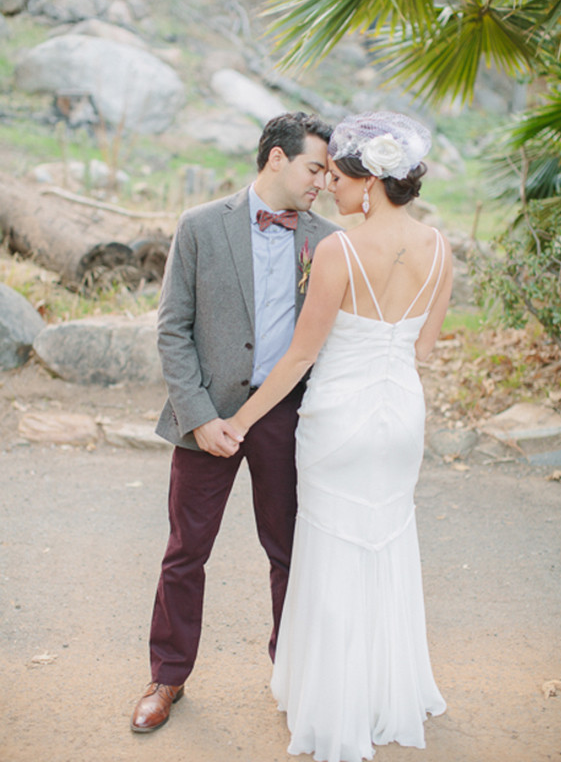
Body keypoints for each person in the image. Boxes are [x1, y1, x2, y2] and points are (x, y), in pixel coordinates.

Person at [229, 111, 453, 761]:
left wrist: (241, 421)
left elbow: (300, 356)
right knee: (387, 544)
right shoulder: (441, 249)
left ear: (372, 183)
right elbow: (426, 348)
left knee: (331, 553)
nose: (331, 186)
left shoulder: (340, 249)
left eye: (343, 176)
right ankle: (387, 693)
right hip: (400, 416)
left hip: (338, 421)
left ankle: (332, 706)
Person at [130, 112, 339, 733]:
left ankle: (292, 677)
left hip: (286, 417)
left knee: (291, 552)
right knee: (185, 552)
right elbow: (172, 329)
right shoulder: (199, 226)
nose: (323, 182)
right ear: (276, 159)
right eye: (314, 167)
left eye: (328, 172)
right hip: (208, 418)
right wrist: (198, 418)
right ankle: (166, 677)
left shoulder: (327, 240)